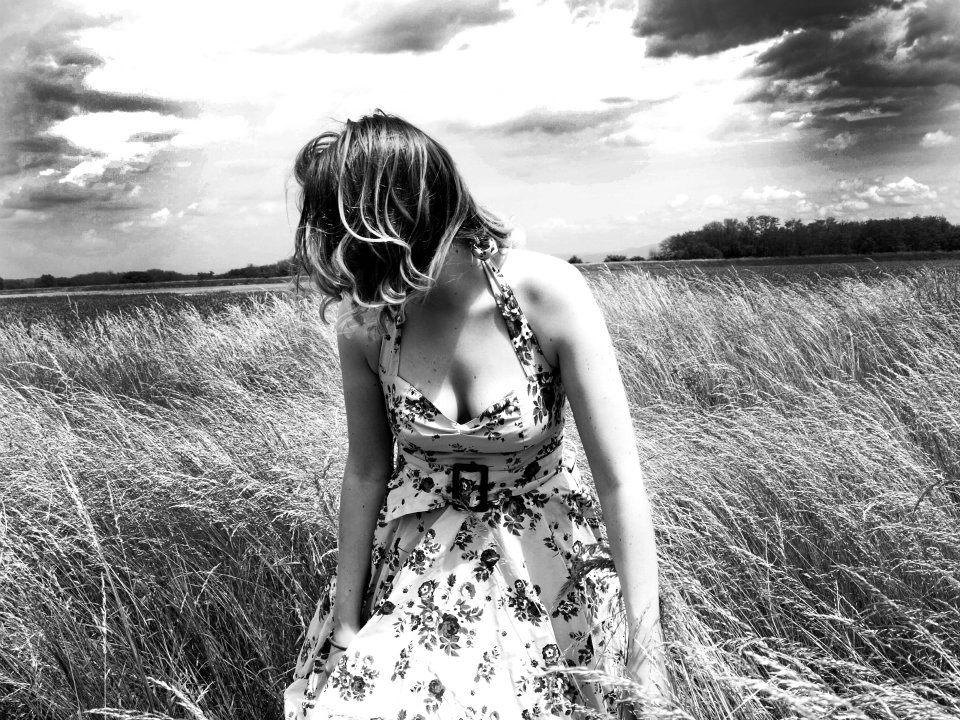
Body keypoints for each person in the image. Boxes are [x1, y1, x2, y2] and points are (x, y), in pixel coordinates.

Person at [283, 110, 670, 719]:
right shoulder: (369, 320)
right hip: (412, 576)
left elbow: (620, 482)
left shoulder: (548, 294)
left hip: (548, 572)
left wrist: (649, 657)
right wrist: (346, 620)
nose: (336, 254)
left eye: (342, 230)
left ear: (396, 217)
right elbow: (365, 471)